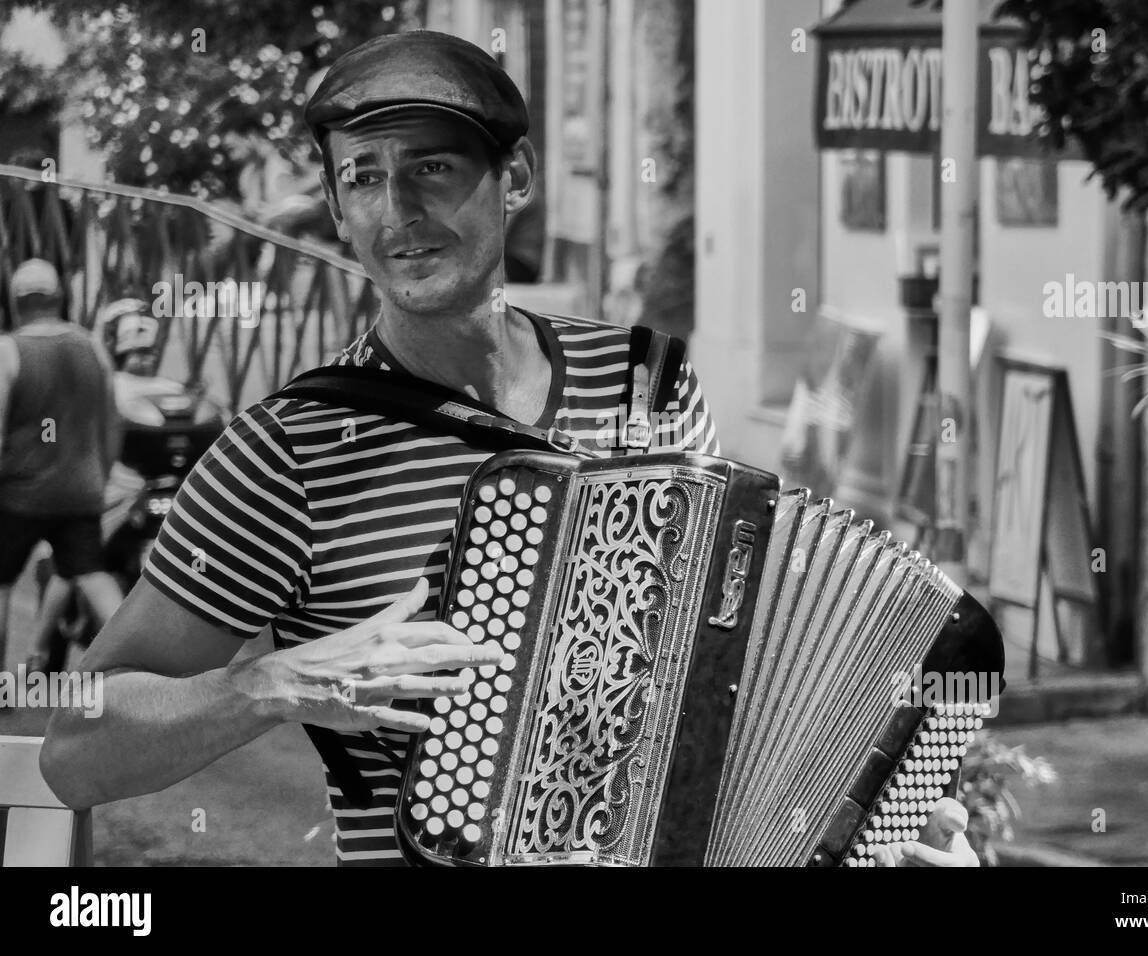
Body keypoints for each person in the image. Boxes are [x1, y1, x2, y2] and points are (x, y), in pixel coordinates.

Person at [40, 31, 974, 867]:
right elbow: (76, 748)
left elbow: (715, 684)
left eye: (432, 169)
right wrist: (271, 683)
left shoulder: (645, 383)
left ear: (515, 177)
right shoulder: (289, 453)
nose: (395, 211)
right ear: (334, 205)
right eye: (361, 176)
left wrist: (859, 822)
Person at [0, 259, 124, 675]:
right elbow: (112, 421)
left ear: (17, 304)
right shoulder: (92, 346)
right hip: (82, 490)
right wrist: (99, 476)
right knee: (91, 574)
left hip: (20, 496)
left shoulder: (9, 351)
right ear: (57, 299)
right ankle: (146, 671)